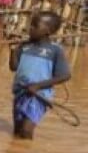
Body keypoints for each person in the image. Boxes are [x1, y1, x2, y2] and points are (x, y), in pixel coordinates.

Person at [9, 10, 71, 140]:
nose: (30, 28)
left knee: (26, 131)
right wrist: (13, 51)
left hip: (39, 95)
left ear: (47, 31)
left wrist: (38, 86)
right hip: (21, 92)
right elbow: (14, 67)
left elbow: (64, 75)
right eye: (30, 24)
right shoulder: (24, 46)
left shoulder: (55, 50)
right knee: (17, 131)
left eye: (35, 26)